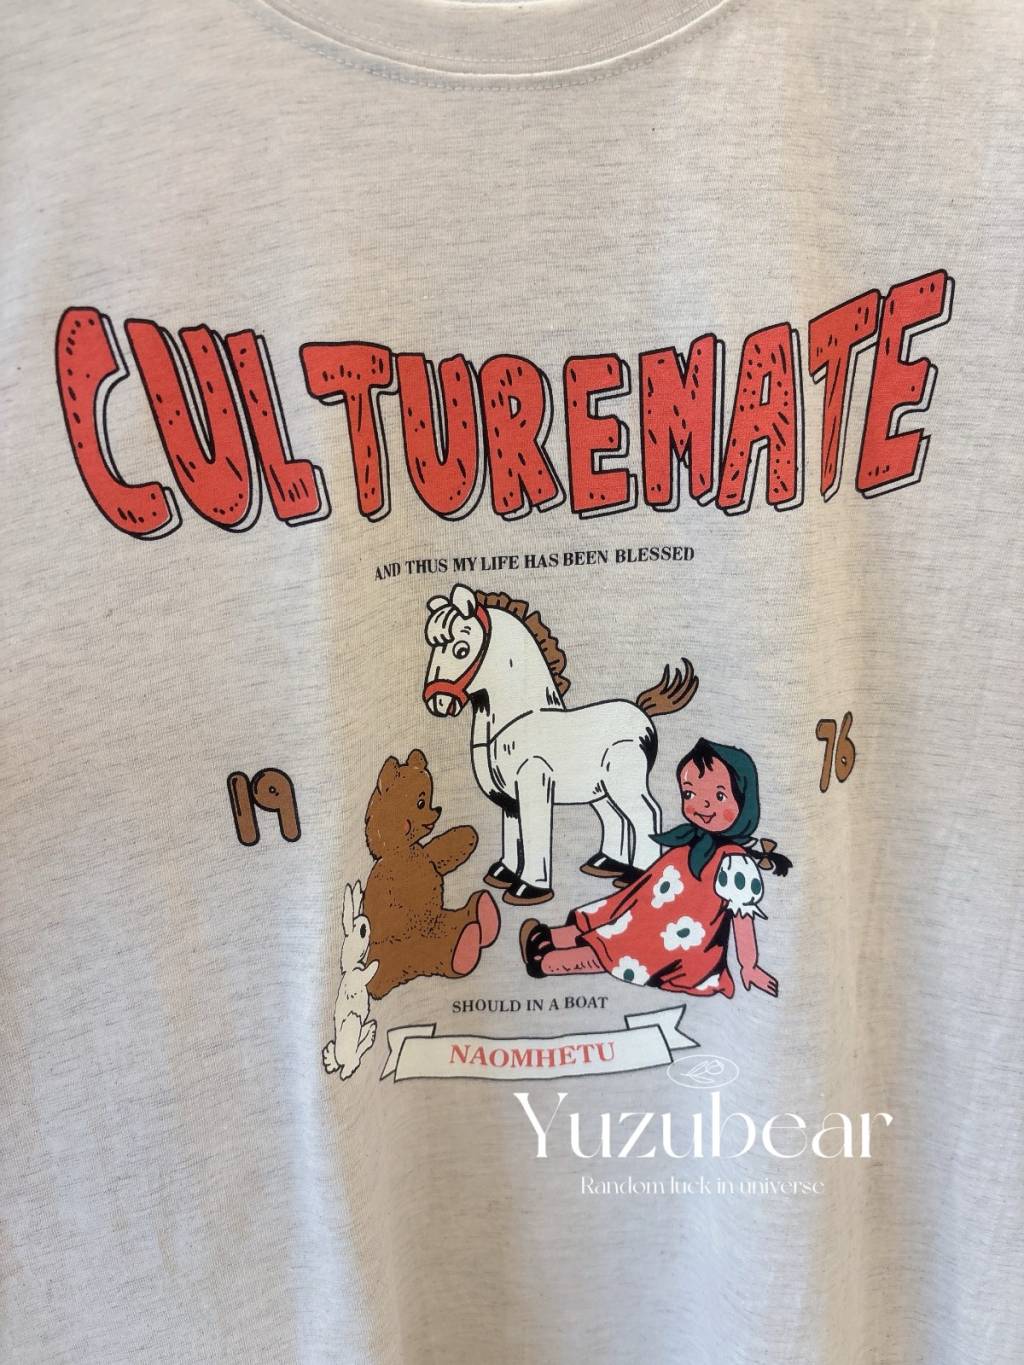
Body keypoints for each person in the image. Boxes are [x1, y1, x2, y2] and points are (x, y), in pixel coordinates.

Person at [519, 739, 789, 997]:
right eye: (690, 793)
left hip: (678, 941)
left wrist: (749, 966)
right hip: (647, 915)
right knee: (611, 919)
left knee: (620, 946)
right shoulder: (690, 843)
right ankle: (547, 938)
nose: (702, 804)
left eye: (719, 795)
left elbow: (742, 918)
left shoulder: (735, 863)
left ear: (744, 800)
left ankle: (547, 963)